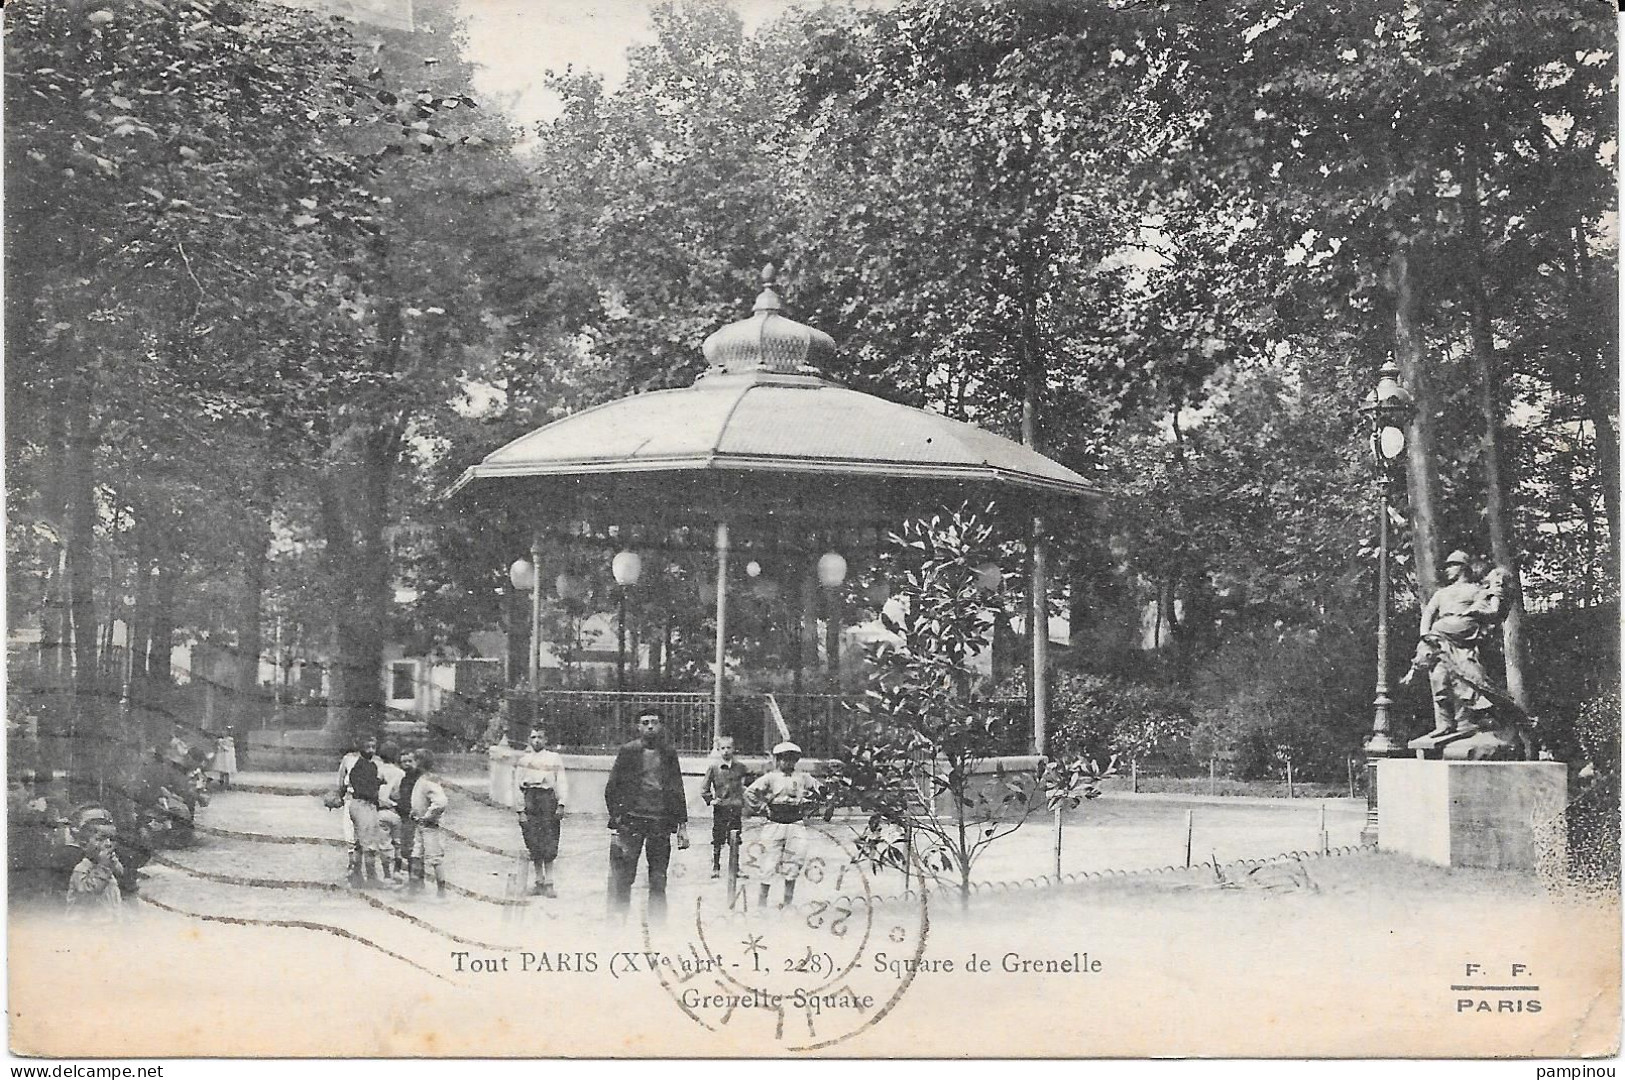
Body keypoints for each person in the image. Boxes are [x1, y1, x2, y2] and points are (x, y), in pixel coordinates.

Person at [1411, 549, 1507, 737]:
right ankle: (1445, 723)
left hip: (1463, 642)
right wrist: (1425, 635)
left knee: (1467, 680)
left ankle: (1468, 722)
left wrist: (1474, 615)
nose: (1447, 570)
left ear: (1463, 568)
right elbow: (1428, 614)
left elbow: (1490, 612)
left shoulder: (1475, 590)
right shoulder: (1441, 593)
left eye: (1451, 565)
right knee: (1439, 679)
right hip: (1439, 642)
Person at [604, 709, 689, 919]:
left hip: (660, 823)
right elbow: (612, 787)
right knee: (624, 876)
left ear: (661, 727)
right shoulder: (628, 751)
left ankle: (657, 927)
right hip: (632, 822)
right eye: (645, 722)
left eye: (655, 722)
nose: (650, 726)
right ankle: (618, 921)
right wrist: (617, 817)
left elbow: (677, 788)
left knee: (658, 878)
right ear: (638, 727)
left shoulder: (669, 753)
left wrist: (682, 826)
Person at [744, 741, 820, 910]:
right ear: (777, 760)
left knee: (795, 861)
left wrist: (813, 803)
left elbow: (820, 790)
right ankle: (761, 905)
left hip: (796, 823)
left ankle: (787, 904)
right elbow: (750, 792)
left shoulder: (803, 778)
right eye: (784, 759)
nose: (788, 763)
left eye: (792, 759)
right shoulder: (770, 778)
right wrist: (762, 808)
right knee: (768, 863)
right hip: (774, 823)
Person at [514, 724, 569, 897]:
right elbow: (517, 786)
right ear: (529, 740)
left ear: (546, 739)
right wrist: (520, 810)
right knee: (533, 841)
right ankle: (538, 881)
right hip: (530, 799)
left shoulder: (554, 758)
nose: (536, 740)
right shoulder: (524, 760)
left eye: (540, 737)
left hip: (547, 800)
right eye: (533, 737)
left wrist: (561, 804)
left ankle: (550, 883)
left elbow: (561, 781)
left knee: (549, 840)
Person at [342, 734, 387, 886]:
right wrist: (378, 786)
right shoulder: (368, 767)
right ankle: (371, 877)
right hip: (364, 804)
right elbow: (369, 789)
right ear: (360, 748)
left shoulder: (361, 766)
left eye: (373, 747)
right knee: (369, 843)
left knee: (358, 842)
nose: (371, 750)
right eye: (367, 747)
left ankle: (356, 876)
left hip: (356, 803)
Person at [701, 736, 747, 879]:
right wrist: (711, 800)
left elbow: (747, 786)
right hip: (721, 809)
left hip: (735, 808)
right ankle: (716, 867)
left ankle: (736, 868)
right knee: (718, 838)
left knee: (735, 838)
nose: (726, 751)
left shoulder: (740, 767)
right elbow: (704, 788)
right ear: (718, 750)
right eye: (723, 748)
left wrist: (744, 799)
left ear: (734, 749)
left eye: (729, 748)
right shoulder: (714, 768)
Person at [408, 748, 449, 899]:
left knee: (435, 857)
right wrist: (415, 812)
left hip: (431, 827)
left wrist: (428, 816)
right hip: (420, 824)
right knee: (416, 853)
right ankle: (414, 889)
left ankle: (441, 891)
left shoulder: (429, 781)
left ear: (420, 763)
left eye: (413, 761)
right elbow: (420, 800)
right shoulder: (421, 780)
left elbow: (440, 802)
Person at [65, 822, 124, 921]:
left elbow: (120, 874)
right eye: (100, 840)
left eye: (111, 840)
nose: (108, 844)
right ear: (84, 845)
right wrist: (104, 867)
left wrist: (114, 864)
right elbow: (89, 894)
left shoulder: (108, 869)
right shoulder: (82, 869)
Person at [374, 742, 406, 883]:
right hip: (396, 811)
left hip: (381, 811)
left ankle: (387, 875)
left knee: (384, 844)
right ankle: (397, 871)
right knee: (398, 843)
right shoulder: (400, 773)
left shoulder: (378, 770)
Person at [396, 749, 422, 889]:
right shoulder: (405, 779)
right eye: (403, 762)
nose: (406, 764)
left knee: (414, 849)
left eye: (409, 761)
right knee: (407, 849)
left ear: (416, 762)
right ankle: (415, 880)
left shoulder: (419, 779)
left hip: (416, 817)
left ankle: (416, 881)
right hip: (405, 816)